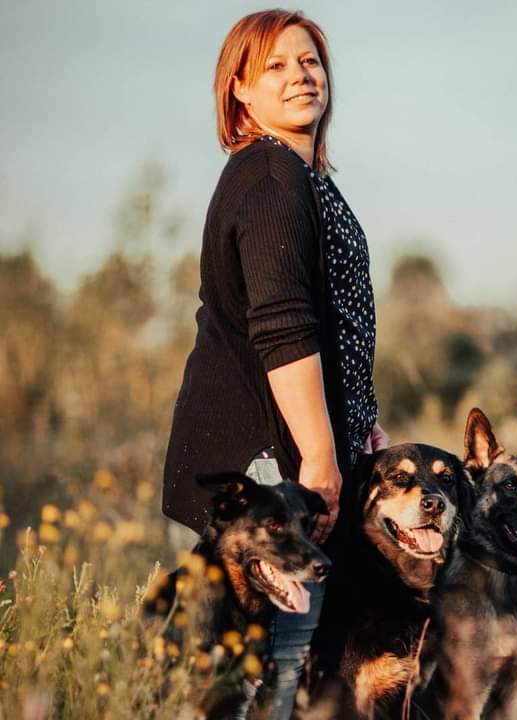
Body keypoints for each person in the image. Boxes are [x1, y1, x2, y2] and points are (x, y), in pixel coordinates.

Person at [161, 9, 389, 718]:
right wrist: (319, 456)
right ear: (239, 89)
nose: (301, 76)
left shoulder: (298, 175)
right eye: (277, 66)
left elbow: (331, 319)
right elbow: (283, 326)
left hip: (284, 454)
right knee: (268, 679)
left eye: (310, 61)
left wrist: (360, 421)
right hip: (265, 469)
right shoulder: (269, 175)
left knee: (272, 675)